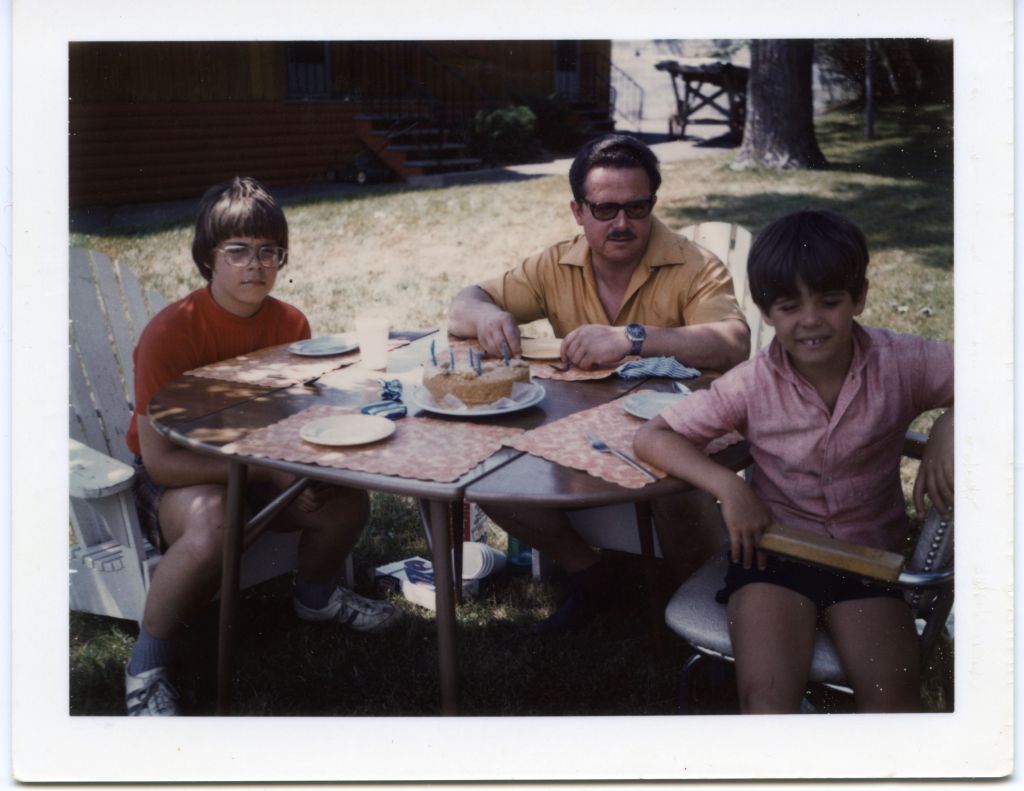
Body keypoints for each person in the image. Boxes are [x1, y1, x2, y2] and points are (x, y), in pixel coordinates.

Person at [634, 209, 954, 713]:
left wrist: (948, 426)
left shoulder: (901, 362)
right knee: (767, 703)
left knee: (893, 706)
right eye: (789, 306)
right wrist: (730, 487)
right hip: (774, 556)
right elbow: (653, 437)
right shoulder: (751, 384)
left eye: (830, 301)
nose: (810, 319)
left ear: (859, 297)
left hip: (866, 560)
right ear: (766, 312)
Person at [447, 134, 751, 633]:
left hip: (672, 427)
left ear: (653, 203)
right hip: (580, 428)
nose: (622, 223)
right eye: (605, 209)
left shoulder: (695, 264)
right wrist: (486, 316)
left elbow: (734, 342)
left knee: (676, 490)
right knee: (486, 471)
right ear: (578, 211)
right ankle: (590, 574)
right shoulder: (554, 264)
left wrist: (632, 338)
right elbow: (465, 301)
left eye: (637, 207)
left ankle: (703, 613)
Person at [124, 177, 401, 716]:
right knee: (214, 523)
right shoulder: (171, 334)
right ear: (208, 257)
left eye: (269, 251)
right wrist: (267, 474)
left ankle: (317, 599)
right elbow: (160, 461)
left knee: (345, 501)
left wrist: (299, 470)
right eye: (238, 251)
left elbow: (292, 417)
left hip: (260, 459)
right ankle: (146, 666)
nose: (255, 265)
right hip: (181, 474)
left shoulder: (290, 323)